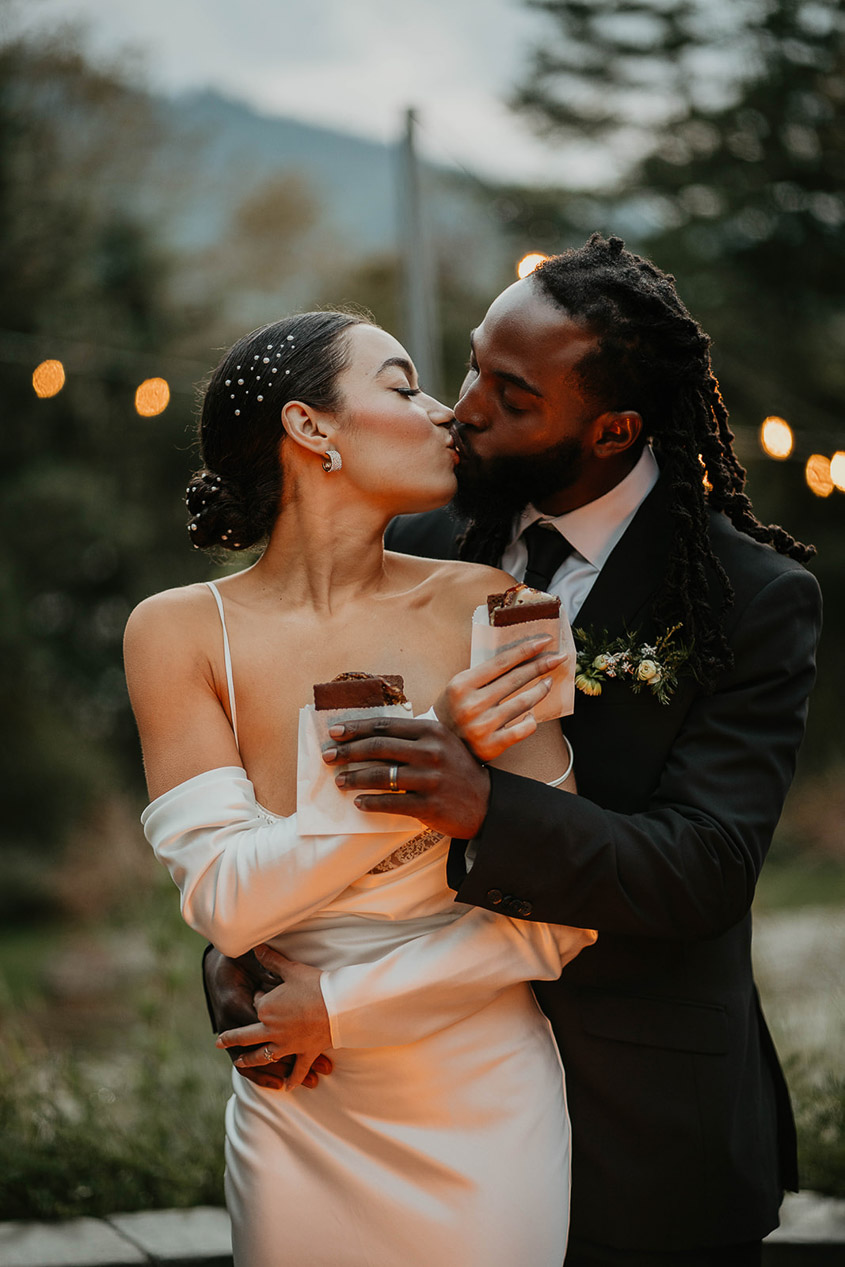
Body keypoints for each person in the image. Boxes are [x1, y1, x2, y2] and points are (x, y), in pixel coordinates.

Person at [206, 235, 822, 1267]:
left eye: (512, 394)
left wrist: (483, 803)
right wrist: (244, 942)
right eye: (469, 367)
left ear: (612, 427)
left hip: (639, 1122)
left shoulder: (747, 600)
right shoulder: (419, 540)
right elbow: (310, 787)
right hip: (415, 1093)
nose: (464, 409)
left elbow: (700, 872)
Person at [123, 309, 597, 1267]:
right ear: (312, 429)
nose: (441, 414)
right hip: (301, 1107)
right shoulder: (176, 632)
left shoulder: (495, 613)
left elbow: (557, 915)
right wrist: (439, 744)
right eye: (402, 384)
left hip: (480, 1098)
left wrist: (341, 1003)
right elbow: (226, 900)